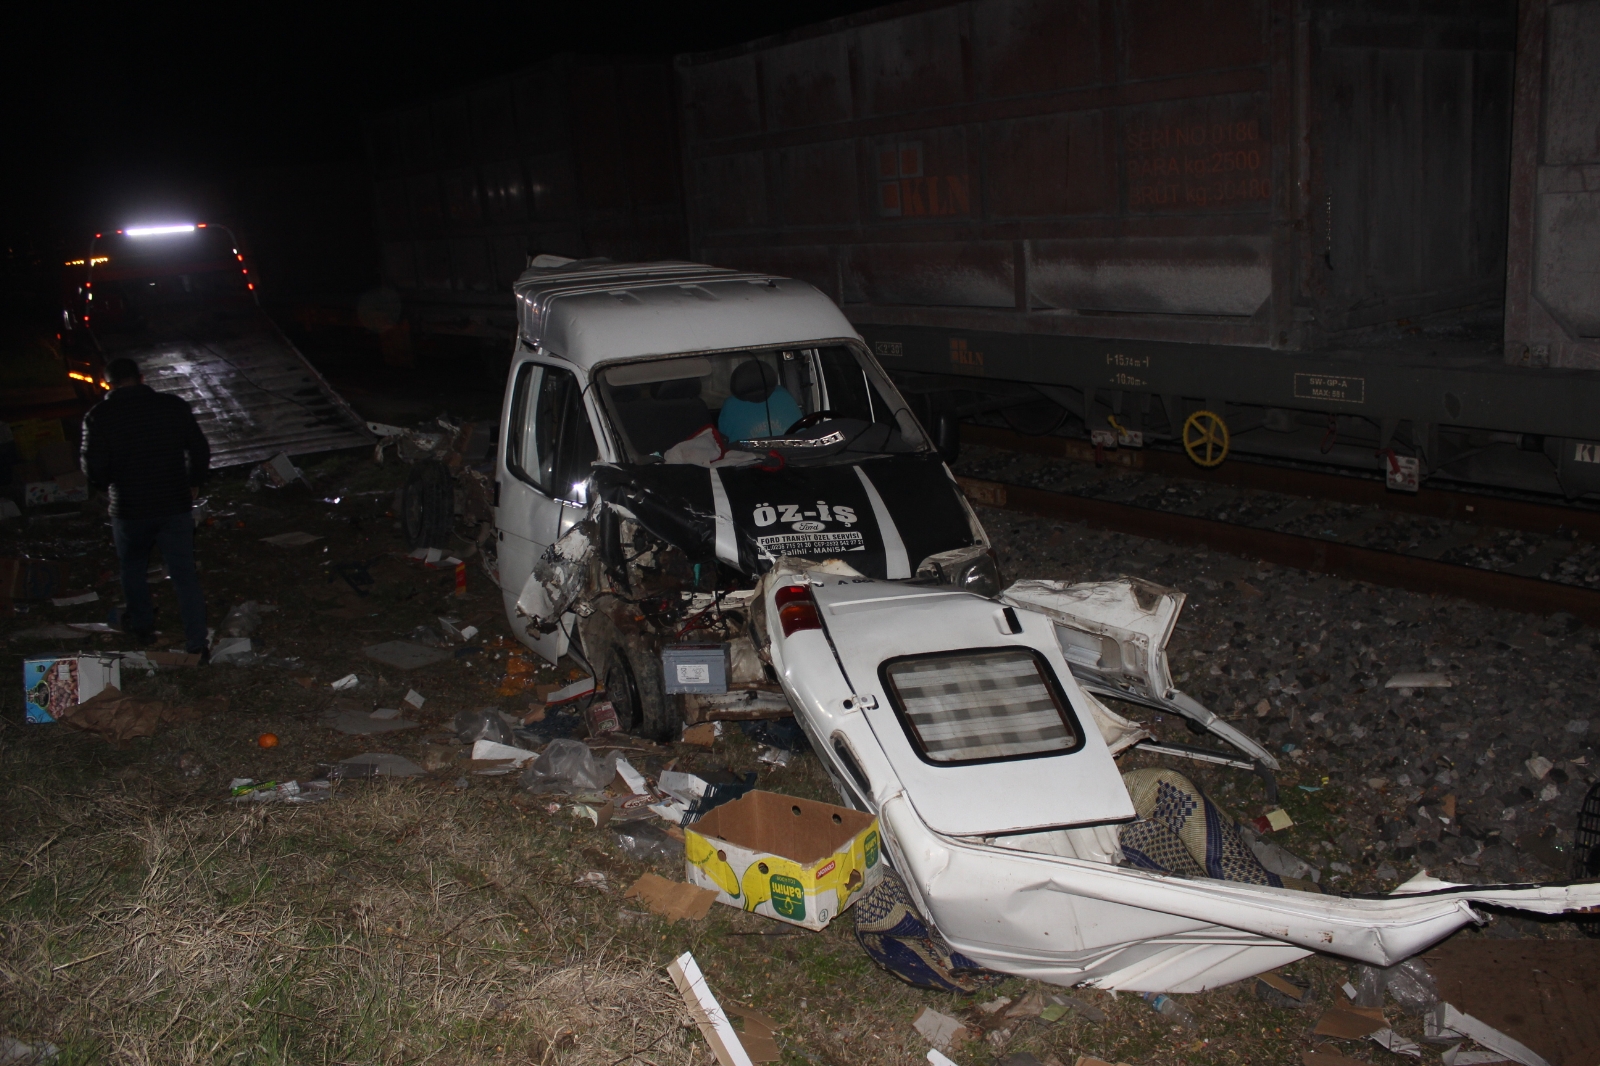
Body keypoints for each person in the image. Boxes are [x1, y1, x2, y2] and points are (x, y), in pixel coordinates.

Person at [81, 357, 212, 658]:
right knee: (183, 573)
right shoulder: (172, 405)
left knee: (133, 568)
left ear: (108, 383)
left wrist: (109, 485)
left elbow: (94, 467)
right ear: (141, 378)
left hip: (129, 506)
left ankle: (142, 628)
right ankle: (197, 642)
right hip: (173, 502)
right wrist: (194, 480)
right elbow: (200, 448)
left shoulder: (99, 415)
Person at [717, 359, 802, 442]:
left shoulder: (731, 406)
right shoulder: (785, 396)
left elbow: (724, 442)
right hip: (793, 454)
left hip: (749, 456)